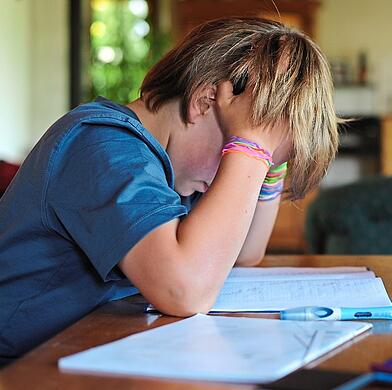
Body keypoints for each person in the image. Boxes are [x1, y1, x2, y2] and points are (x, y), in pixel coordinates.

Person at [0, 18, 338, 366]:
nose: (242, 172)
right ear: (205, 101)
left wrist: (270, 156)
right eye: (239, 147)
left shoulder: (175, 167)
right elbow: (185, 290)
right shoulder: (105, 146)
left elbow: (245, 250)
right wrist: (249, 147)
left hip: (77, 352)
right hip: (18, 366)